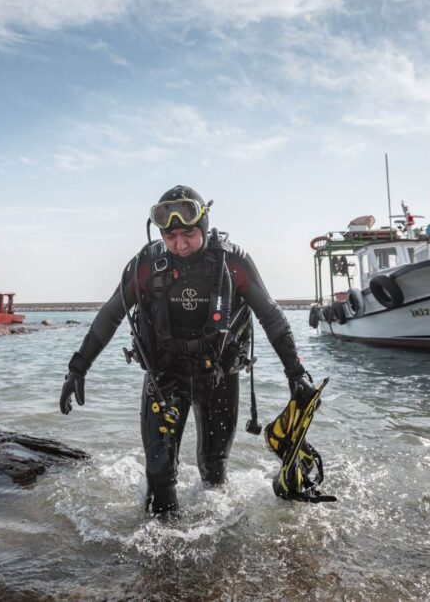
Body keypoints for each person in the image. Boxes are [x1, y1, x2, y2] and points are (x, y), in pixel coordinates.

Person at [59, 185, 314, 515]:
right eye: (171, 236)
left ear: (204, 226)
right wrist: (78, 368)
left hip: (219, 376)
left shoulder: (233, 262)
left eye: (189, 234)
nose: (180, 245)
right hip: (165, 377)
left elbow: (272, 318)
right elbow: (111, 314)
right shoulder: (147, 265)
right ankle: (159, 558)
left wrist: (296, 373)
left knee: (213, 470)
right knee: (159, 471)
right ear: (161, 234)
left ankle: (213, 552)